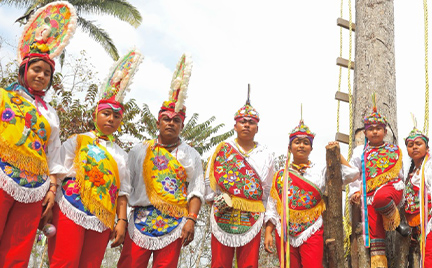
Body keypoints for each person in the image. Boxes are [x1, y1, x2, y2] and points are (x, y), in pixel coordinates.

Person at [48, 49, 142, 267]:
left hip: (102, 217)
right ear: (95, 115)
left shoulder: (120, 154)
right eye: (106, 113)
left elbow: (123, 191)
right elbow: (57, 171)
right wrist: (51, 198)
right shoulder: (78, 140)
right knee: (65, 261)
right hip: (69, 207)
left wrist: (121, 220)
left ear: (121, 121)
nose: (110, 119)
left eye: (116, 116)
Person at [0, 1, 76, 267]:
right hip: (2, 178)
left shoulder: (50, 114)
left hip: (35, 189)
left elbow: (54, 154)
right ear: (24, 70)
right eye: (36, 69)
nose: (41, 76)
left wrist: (52, 190)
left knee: (17, 253)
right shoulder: (3, 97)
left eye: (47, 73)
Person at [118, 54, 205, 268]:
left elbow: (196, 189)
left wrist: (191, 220)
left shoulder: (191, 155)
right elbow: (124, 188)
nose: (171, 123)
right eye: (166, 119)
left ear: (182, 126)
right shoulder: (139, 150)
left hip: (175, 222)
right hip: (139, 221)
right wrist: (120, 221)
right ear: (158, 122)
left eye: (176, 120)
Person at [263, 116, 358, 268]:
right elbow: (272, 206)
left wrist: (338, 154)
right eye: (297, 142)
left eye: (306, 143)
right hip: (284, 232)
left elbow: (352, 174)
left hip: (311, 229)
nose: (301, 145)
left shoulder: (319, 170)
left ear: (311, 148)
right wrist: (268, 232)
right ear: (290, 147)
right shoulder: (281, 174)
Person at [205, 93, 274, 268]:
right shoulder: (223, 148)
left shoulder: (266, 155)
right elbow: (210, 178)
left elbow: (268, 190)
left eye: (251, 122)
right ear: (235, 125)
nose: (247, 125)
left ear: (257, 128)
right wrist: (213, 200)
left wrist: (267, 220)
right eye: (243, 121)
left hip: (252, 214)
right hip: (223, 211)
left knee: (249, 264)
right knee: (219, 263)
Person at [348, 96, 405, 268]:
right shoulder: (360, 151)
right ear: (365, 132)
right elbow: (353, 174)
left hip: (391, 190)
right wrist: (355, 192)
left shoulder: (394, 149)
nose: (374, 132)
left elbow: (400, 174)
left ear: (385, 132)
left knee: (381, 197)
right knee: (376, 238)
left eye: (378, 129)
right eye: (370, 129)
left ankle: (393, 218)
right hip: (368, 195)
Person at [402, 119, 432, 268]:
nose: (414, 147)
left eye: (418, 144)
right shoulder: (413, 173)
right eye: (410, 145)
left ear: (427, 147)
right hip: (420, 230)